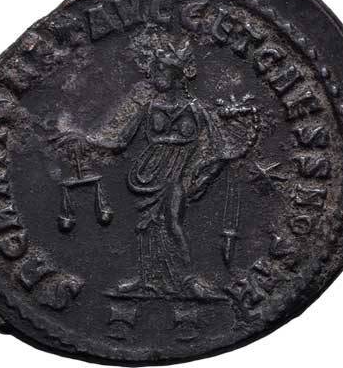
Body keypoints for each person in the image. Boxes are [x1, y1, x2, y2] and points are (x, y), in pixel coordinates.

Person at [56, 40, 259, 298]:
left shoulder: (197, 110)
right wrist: (86, 139)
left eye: (161, 69)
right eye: (155, 69)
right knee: (147, 227)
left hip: (180, 175)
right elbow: (120, 141)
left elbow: (220, 148)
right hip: (148, 175)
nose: (154, 74)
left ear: (178, 73)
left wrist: (205, 174)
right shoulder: (150, 107)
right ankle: (147, 280)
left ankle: (189, 280)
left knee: (172, 222)